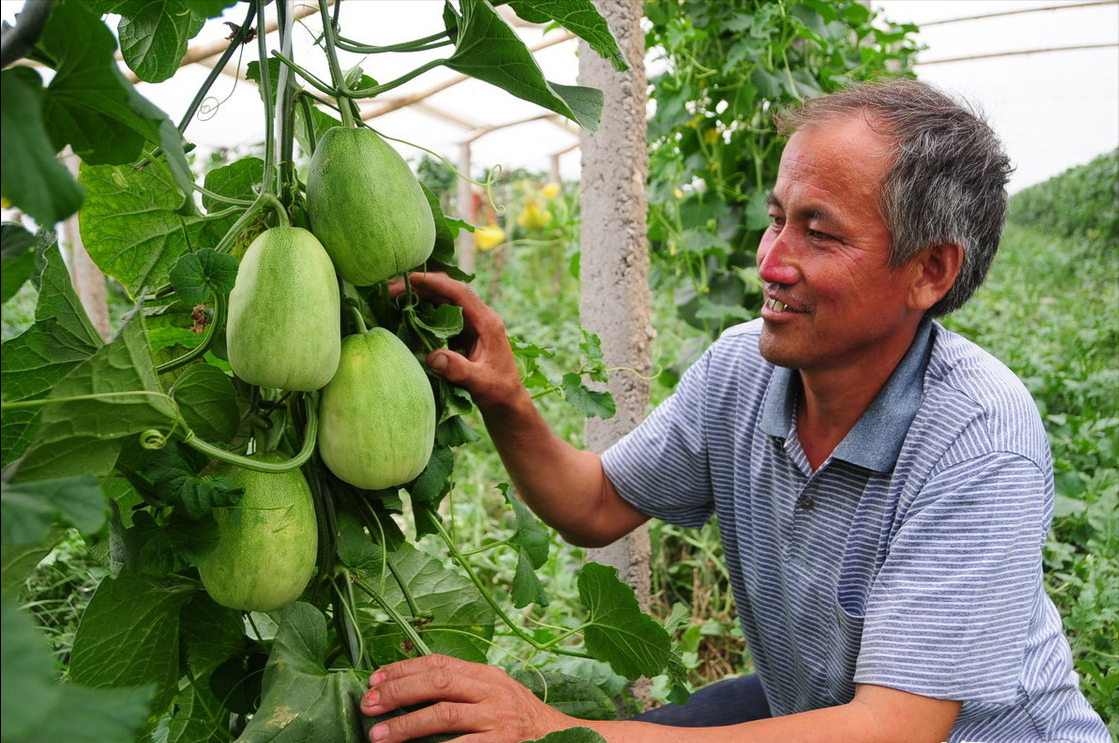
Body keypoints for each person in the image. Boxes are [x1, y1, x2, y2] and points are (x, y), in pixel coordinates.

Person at [359, 79, 1110, 742]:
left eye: (818, 232)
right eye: (777, 216)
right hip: (818, 708)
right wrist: (506, 399)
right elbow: (592, 503)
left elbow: (892, 728)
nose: (771, 260)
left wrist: (554, 729)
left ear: (929, 271)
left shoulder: (980, 438)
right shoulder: (740, 368)